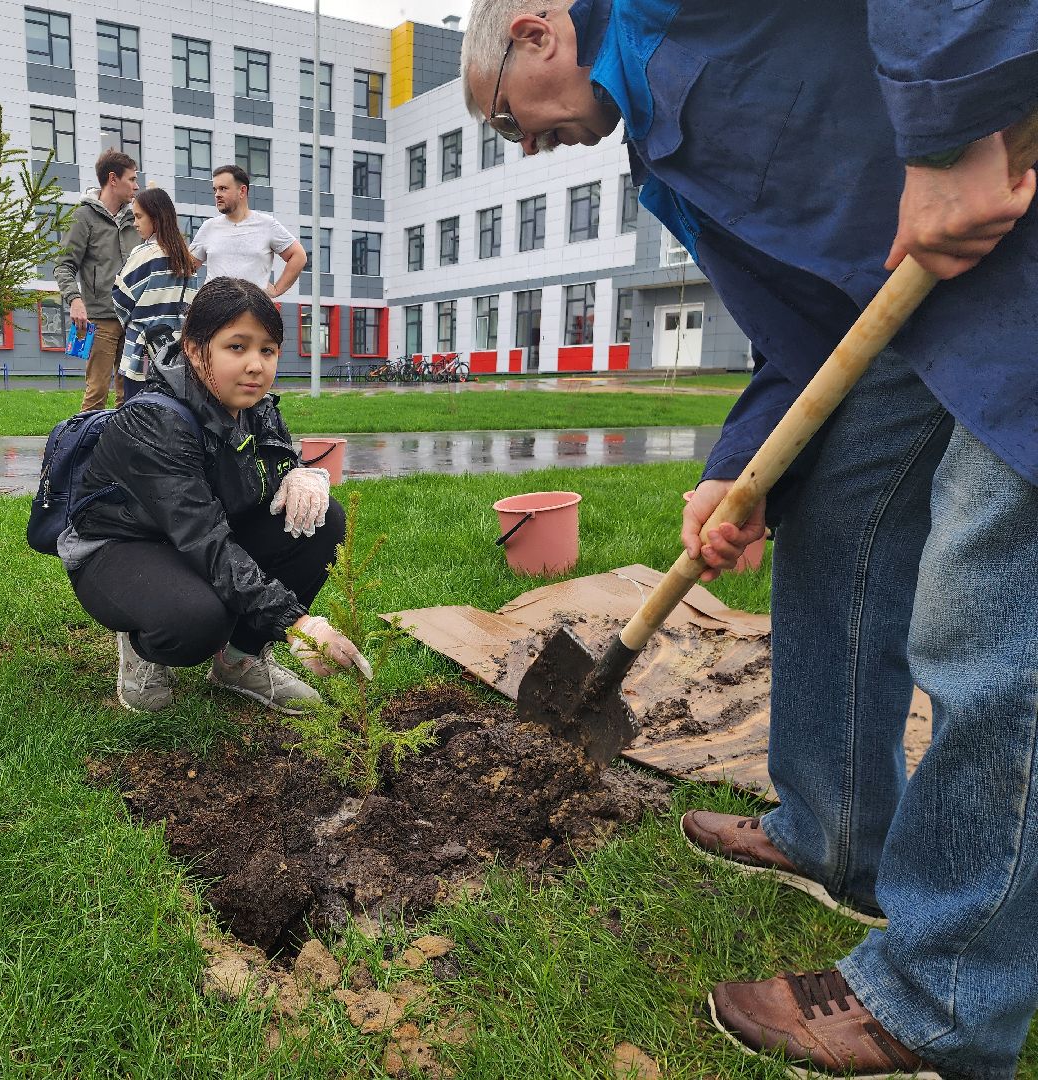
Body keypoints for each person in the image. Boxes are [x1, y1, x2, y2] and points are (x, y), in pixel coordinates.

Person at [462, 2, 1037, 1077]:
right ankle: (837, 833)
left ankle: (943, 1001)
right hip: (916, 306)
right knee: (831, 505)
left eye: (511, 124)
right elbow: (794, 334)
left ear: (538, 29)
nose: (529, 147)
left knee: (985, 595)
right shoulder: (662, 172)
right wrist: (738, 468)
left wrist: (950, 123)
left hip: (1010, 200)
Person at [59, 277, 370, 714]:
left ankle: (239, 660)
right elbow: (205, 541)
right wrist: (297, 623)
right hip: (121, 545)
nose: (256, 366)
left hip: (199, 534)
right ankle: (141, 648)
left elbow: (276, 462)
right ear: (193, 346)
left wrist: (300, 473)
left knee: (321, 519)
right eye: (236, 347)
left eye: (267, 350)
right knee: (197, 619)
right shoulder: (156, 420)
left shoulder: (253, 406)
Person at [54, 149, 140, 412]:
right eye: (131, 180)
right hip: (101, 318)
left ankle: (125, 448)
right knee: (97, 392)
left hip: (134, 320)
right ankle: (84, 449)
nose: (136, 186)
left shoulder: (136, 217)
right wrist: (75, 300)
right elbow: (64, 265)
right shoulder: (83, 216)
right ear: (113, 179)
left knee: (131, 393)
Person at [112, 187, 205, 402]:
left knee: (137, 415)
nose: (135, 223)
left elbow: (120, 297)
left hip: (142, 353)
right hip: (176, 356)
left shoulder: (145, 254)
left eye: (138, 216)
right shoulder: (187, 260)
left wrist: (132, 322)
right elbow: (191, 307)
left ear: (155, 217)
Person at [190, 166, 306, 300]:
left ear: (242, 191)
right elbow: (187, 266)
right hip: (215, 312)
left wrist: (276, 290)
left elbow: (299, 255)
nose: (217, 194)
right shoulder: (208, 227)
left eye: (223, 188)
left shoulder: (267, 224)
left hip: (252, 313)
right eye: (215, 189)